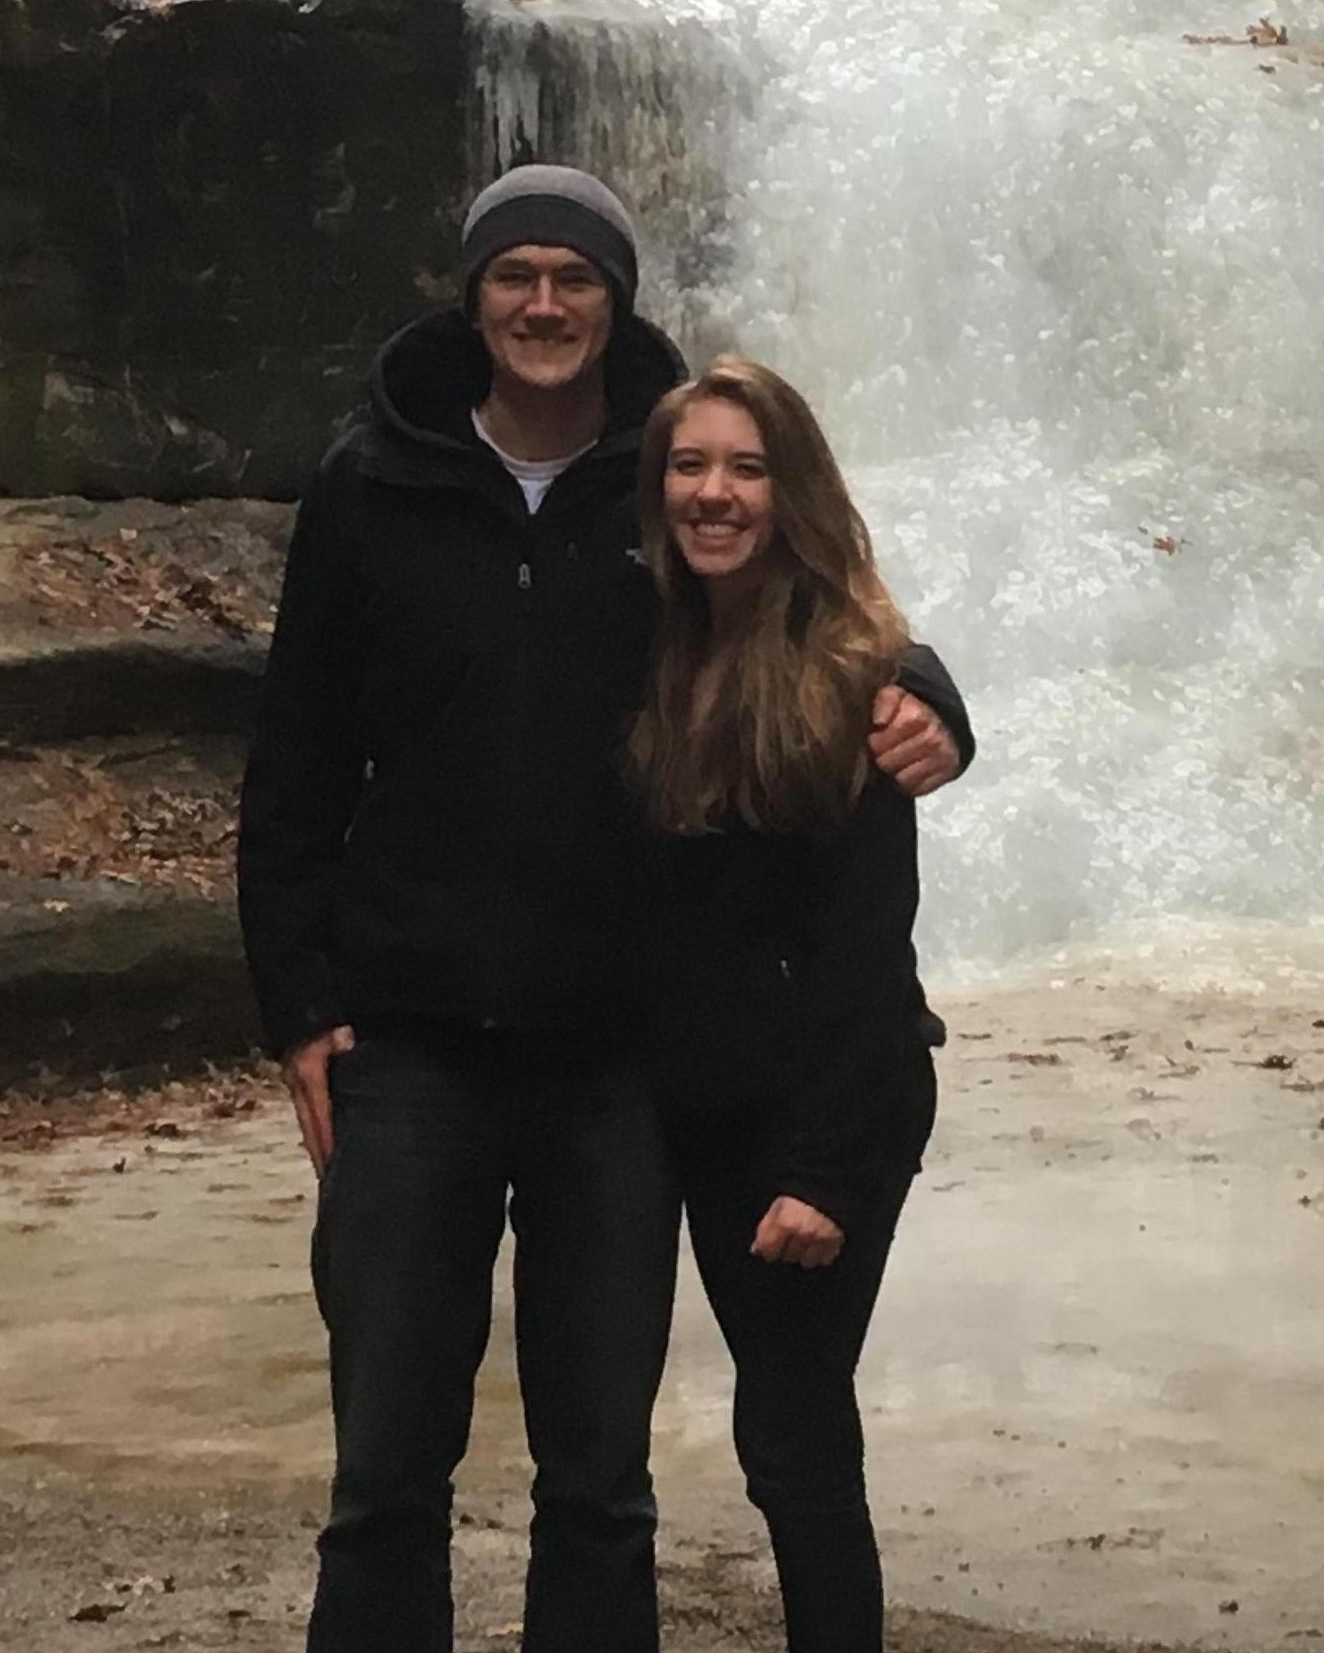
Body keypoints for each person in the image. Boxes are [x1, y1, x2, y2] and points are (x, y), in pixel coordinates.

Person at [239, 165, 972, 1653]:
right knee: (385, 1462)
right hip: (411, 1043)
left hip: (615, 1063)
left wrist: (942, 702)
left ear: (617, 301)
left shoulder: (667, 485)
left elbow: (822, 619)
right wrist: (298, 1004)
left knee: (600, 1476)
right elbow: (295, 761)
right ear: (473, 295)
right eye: (516, 274)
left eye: (576, 278)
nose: (545, 303)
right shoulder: (370, 484)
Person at [632, 357, 943, 1653]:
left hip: (827, 1105)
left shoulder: (858, 676)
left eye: (747, 467)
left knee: (794, 1432)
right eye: (690, 465)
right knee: (617, 1427)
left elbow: (865, 951)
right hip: (676, 1099)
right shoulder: (633, 650)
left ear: (793, 488)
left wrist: (820, 1172)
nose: (716, 492)